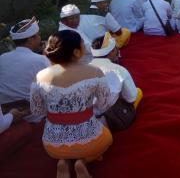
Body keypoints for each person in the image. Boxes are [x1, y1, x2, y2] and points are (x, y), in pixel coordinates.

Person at [30, 30, 113, 178]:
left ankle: (64, 162)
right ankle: (82, 161)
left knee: (66, 147)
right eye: (82, 44)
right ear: (76, 52)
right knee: (107, 138)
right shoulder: (94, 72)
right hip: (90, 140)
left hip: (52, 145)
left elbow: (37, 112)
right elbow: (104, 105)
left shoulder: (40, 76)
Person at [91, 36, 143, 130]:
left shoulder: (82, 69)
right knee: (138, 92)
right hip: (112, 120)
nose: (118, 51)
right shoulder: (119, 70)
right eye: (115, 49)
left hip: (85, 120)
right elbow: (131, 98)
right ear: (111, 52)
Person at [0, 18, 50, 114]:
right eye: (38, 35)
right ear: (31, 40)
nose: (40, 38)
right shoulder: (41, 60)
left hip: (4, 113)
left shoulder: (2, 58)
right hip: (32, 115)